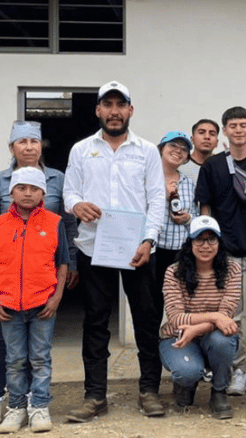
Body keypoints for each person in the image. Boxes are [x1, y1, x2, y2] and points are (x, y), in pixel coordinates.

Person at [63, 80, 166, 421]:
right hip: (95, 248)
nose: (114, 111)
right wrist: (77, 206)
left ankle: (149, 390)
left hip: (138, 249)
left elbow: (156, 200)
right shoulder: (81, 149)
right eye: (107, 105)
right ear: (98, 111)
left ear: (130, 110)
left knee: (146, 319)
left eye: (120, 105)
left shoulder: (147, 151)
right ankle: (95, 396)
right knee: (95, 322)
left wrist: (149, 240)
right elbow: (69, 193)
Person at [195, 106, 246, 395]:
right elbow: (205, 206)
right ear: (226, 131)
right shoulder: (212, 166)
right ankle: (238, 370)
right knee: (233, 314)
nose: (239, 130)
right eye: (233, 126)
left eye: (244, 125)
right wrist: (210, 243)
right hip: (227, 249)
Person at [0, 120, 79, 401]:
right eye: (22, 142)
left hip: (43, 274)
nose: (29, 147)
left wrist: (73, 262)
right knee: (12, 351)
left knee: (39, 351)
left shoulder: (58, 177)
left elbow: (67, 226)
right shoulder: (1, 181)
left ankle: (39, 401)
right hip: (9, 283)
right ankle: (12, 399)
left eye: (34, 142)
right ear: (12, 147)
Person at [0, 168, 68, 433]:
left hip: (42, 303)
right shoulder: (2, 224)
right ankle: (16, 408)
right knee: (15, 360)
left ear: (43, 193)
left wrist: (57, 297)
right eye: (22, 188)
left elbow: (62, 262)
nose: (28, 193)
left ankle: (39, 406)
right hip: (8, 306)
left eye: (34, 188)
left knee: (40, 358)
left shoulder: (54, 222)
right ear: (12, 192)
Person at [159, 216, 240, 419]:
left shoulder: (233, 270)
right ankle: (187, 384)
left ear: (219, 243)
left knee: (223, 339)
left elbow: (227, 316)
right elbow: (176, 318)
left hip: (211, 336)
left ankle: (219, 392)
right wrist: (214, 317)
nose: (206, 246)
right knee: (187, 372)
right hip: (177, 338)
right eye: (199, 239)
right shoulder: (173, 272)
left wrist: (196, 328)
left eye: (211, 239)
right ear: (190, 243)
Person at [155, 132, 197, 309]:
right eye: (173, 146)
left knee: (183, 301)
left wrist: (188, 219)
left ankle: (180, 336)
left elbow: (198, 218)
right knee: (152, 301)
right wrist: (161, 195)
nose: (178, 151)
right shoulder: (147, 180)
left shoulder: (190, 183)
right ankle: (153, 337)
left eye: (184, 149)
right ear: (161, 149)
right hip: (154, 250)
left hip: (182, 251)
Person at [179, 119, 219, 185]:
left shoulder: (222, 167)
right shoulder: (180, 165)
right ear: (192, 140)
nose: (207, 137)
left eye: (212, 134)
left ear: (217, 142)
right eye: (201, 132)